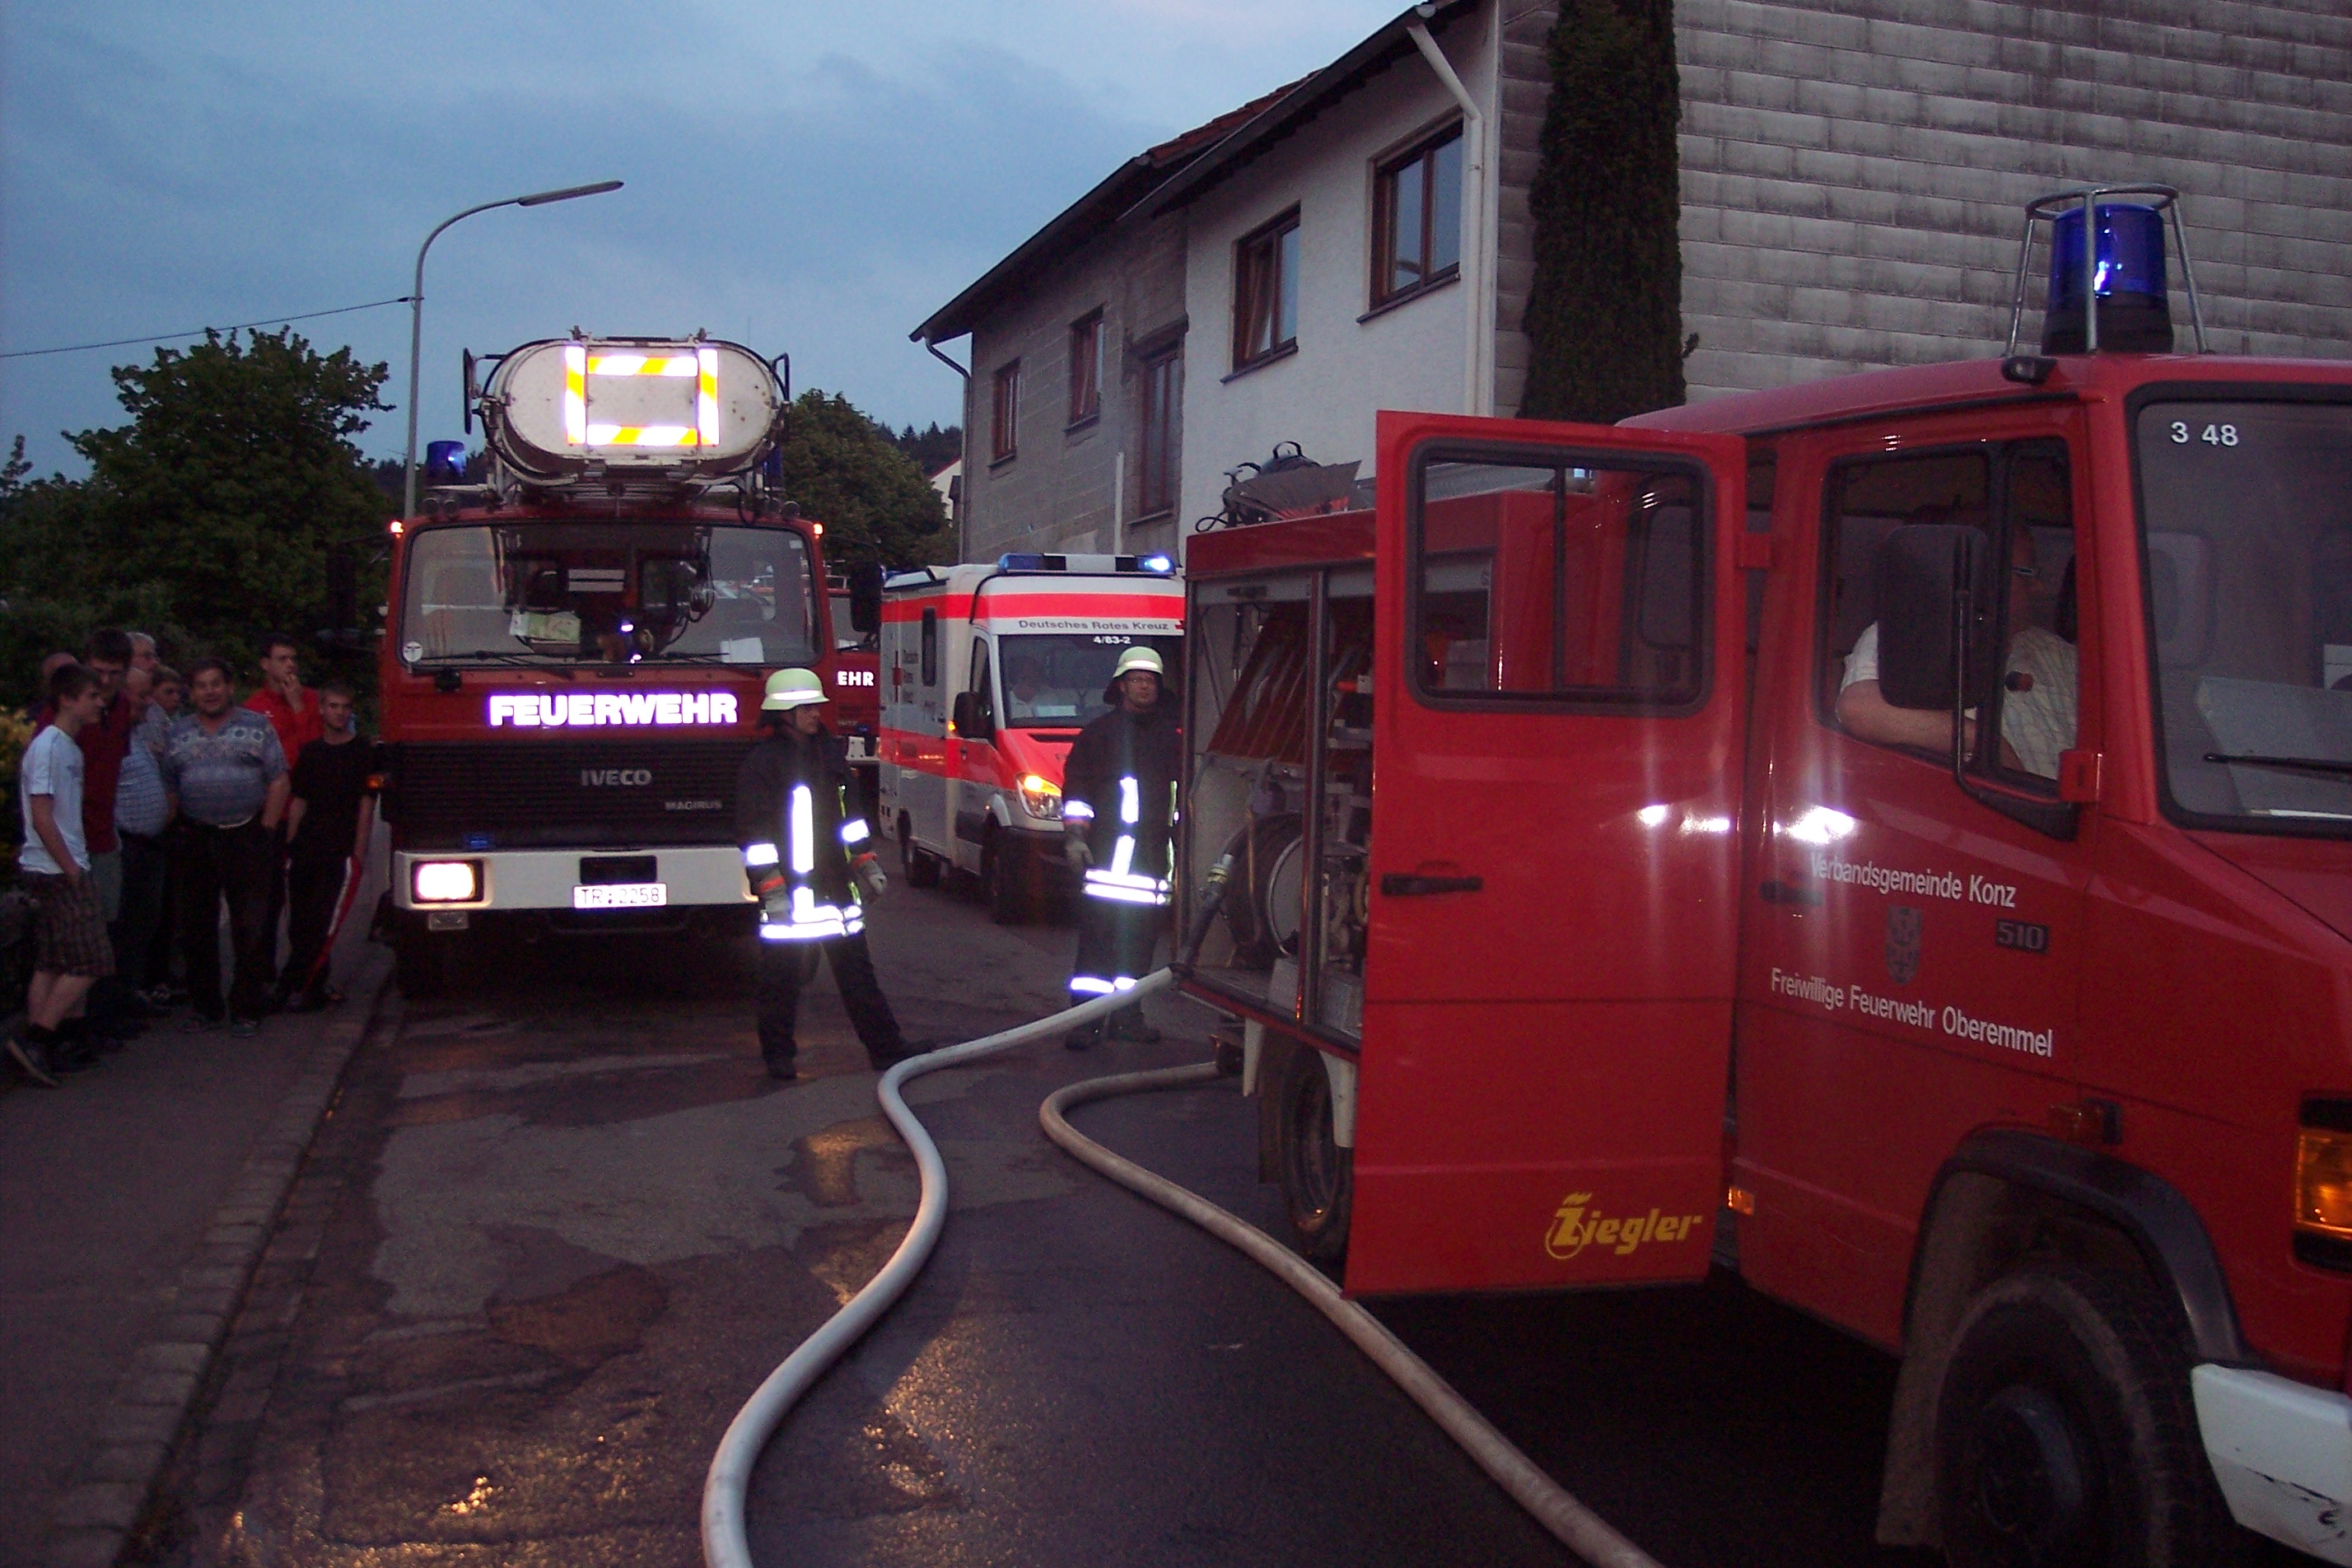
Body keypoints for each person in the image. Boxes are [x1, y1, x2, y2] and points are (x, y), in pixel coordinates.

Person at [735, 668, 922, 1080]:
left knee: (858, 977)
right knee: (780, 981)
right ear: (784, 714)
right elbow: (755, 833)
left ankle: (887, 1050)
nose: (815, 714)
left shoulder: (829, 755)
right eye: (805, 708)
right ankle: (778, 1057)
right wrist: (772, 889)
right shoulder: (762, 765)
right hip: (789, 897)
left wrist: (866, 862)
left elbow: (850, 818)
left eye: (816, 707)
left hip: (837, 891)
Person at [1836, 516, 2078, 781]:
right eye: (2027, 575)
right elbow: (1859, 709)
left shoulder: (2059, 655)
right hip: (1985, 802)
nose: (2039, 588)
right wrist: (1984, 741)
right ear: (1983, 575)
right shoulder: (1912, 634)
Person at [1059, 646, 1181, 1050]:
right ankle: (1085, 1022)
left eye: (1150, 681)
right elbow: (1077, 789)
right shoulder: (1099, 734)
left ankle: (1128, 1019)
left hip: (1151, 866)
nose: (1144, 687)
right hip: (1106, 864)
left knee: (1138, 952)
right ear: (1122, 686)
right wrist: (1075, 837)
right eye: (1136, 680)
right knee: (1096, 948)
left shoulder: (1172, 738)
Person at [160, 658, 288, 1035]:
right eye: (201, 685)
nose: (210, 692)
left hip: (246, 836)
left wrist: (266, 829)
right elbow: (169, 786)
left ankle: (246, 1008)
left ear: (230, 688)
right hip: (195, 838)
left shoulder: (257, 726)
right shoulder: (177, 733)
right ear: (192, 693)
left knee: (250, 926)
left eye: (216, 684)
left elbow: (279, 779)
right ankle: (206, 1007)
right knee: (196, 926)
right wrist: (171, 830)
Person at [8, 664, 113, 1086]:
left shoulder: (70, 747)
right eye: (92, 696)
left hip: (62, 863)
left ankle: (50, 1045)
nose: (100, 703)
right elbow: (41, 813)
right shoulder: (49, 747)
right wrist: (71, 868)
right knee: (92, 959)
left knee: (54, 960)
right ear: (68, 699)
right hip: (56, 867)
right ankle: (37, 1037)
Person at [278, 681, 376, 1011]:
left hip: (340, 847)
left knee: (324, 921)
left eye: (345, 707)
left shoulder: (362, 752)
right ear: (321, 709)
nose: (339, 713)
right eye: (333, 706)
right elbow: (299, 800)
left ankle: (297, 986)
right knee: (299, 922)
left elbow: (366, 804)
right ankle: (312, 985)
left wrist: (358, 851)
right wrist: (290, 844)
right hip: (307, 845)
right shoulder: (311, 752)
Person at [243, 634, 321, 994]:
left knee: (308, 898)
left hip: (307, 813)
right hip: (271, 814)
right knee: (268, 896)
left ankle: (307, 972)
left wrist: (298, 706)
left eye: (293, 658)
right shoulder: (254, 708)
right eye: (282, 658)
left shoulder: (311, 700)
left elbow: (315, 752)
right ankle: (263, 970)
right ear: (265, 664)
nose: (290, 665)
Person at [110, 661, 176, 1028]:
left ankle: (130, 995)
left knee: (141, 930)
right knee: (123, 930)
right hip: (127, 846)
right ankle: (114, 1007)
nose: (149, 701)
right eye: (142, 694)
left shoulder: (135, 732)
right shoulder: (110, 734)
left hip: (150, 845)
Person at [1004, 655, 1081, 722]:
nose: (1031, 681)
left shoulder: (1051, 697)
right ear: (1015, 678)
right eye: (1025, 678)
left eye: (1035, 675)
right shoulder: (1004, 702)